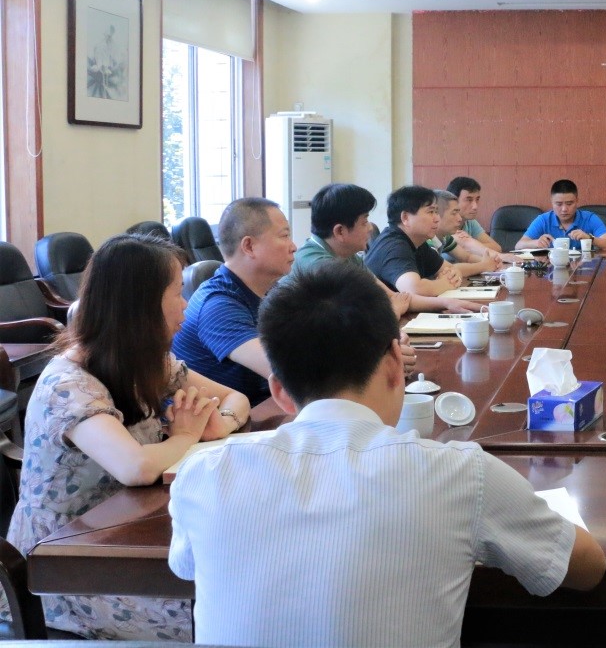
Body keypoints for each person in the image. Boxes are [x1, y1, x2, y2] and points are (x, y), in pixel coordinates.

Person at [168, 262, 606, 647]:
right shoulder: (459, 474)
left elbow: (186, 568)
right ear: (396, 364)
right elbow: (587, 569)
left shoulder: (204, 474)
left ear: (279, 391)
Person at [7, 234, 250, 640]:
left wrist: (220, 423)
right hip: (67, 566)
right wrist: (186, 435)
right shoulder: (68, 384)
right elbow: (134, 467)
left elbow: (236, 398)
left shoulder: (148, 361)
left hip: (130, 530)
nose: (185, 305)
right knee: (220, 614)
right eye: (177, 293)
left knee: (233, 585)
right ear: (142, 304)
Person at [172, 197, 296, 404]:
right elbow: (293, 375)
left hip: (254, 407)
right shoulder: (217, 305)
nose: (293, 246)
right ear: (249, 246)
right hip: (220, 418)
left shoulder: (272, 291)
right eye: (284, 236)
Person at [292, 182, 413, 318]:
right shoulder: (320, 267)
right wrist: (394, 311)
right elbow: (357, 324)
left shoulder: (348, 256)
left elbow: (391, 297)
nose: (370, 228)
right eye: (364, 222)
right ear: (340, 231)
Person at [364, 185, 484, 312]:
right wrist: (444, 283)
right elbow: (415, 290)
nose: (437, 219)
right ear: (405, 218)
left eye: (436, 212)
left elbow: (452, 270)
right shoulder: (394, 245)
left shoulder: (418, 241)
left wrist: (448, 278)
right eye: (430, 212)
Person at [517, 179, 606, 253]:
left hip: (583, 269)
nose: (564, 209)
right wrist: (536, 242)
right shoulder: (543, 220)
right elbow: (518, 246)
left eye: (569, 203)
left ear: (577, 201)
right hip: (551, 270)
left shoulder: (590, 219)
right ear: (552, 202)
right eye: (559, 204)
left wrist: (589, 238)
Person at [426, 188, 502, 276]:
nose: (459, 218)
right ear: (436, 215)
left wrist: (491, 262)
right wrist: (483, 266)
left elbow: (467, 257)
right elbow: (447, 270)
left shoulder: (445, 237)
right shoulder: (426, 241)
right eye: (454, 213)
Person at [447, 175, 502, 254]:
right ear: (453, 200)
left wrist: (470, 242)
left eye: (477, 199)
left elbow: (497, 248)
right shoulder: (441, 224)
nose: (475, 206)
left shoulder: (470, 222)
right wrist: (471, 246)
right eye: (469, 200)